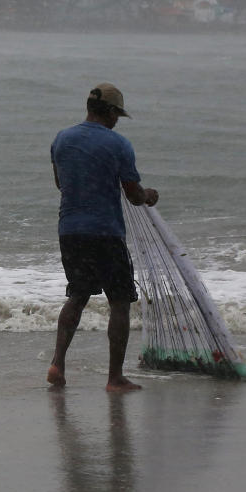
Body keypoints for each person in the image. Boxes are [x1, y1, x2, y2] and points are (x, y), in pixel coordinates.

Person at [48, 84, 159, 393]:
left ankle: (57, 364)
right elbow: (134, 195)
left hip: (70, 231)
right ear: (110, 112)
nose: (117, 121)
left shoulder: (62, 139)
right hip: (106, 232)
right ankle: (114, 378)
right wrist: (150, 195)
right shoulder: (118, 144)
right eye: (117, 115)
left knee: (78, 296)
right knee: (120, 302)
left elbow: (61, 184)